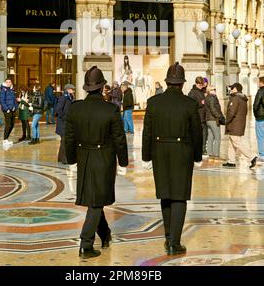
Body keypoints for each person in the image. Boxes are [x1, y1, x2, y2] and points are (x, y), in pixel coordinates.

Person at [65, 66, 128, 260]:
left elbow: (69, 138)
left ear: (86, 88)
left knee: (95, 198)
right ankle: (85, 244)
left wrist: (72, 159)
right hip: (104, 158)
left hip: (84, 156)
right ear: (102, 88)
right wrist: (123, 161)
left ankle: (105, 234)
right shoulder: (110, 109)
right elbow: (119, 138)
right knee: (96, 200)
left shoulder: (75, 108)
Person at [142, 62, 203, 256]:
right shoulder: (190, 104)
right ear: (182, 83)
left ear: (168, 82)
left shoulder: (153, 102)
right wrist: (197, 155)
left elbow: (147, 132)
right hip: (182, 152)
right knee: (180, 196)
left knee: (165, 194)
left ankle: (168, 236)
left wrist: (146, 155)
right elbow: (196, 133)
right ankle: (174, 243)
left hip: (159, 152)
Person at [222, 83, 258, 169]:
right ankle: (231, 161)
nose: (230, 89)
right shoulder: (242, 98)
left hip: (235, 124)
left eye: (232, 88)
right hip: (239, 123)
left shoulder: (235, 99)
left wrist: (226, 121)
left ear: (236, 89)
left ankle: (252, 157)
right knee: (232, 143)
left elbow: (231, 112)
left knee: (237, 143)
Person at [55, 83, 75, 164]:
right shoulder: (63, 98)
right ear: (67, 89)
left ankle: (60, 158)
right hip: (63, 124)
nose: (73, 90)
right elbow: (58, 109)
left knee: (63, 141)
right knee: (64, 141)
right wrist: (64, 118)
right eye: (72, 89)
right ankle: (64, 159)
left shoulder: (70, 97)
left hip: (66, 123)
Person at [188, 76, 208, 156]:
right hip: (198, 117)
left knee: (204, 134)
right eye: (200, 85)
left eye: (202, 85)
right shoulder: (192, 93)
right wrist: (201, 103)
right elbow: (191, 105)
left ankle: (203, 149)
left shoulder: (202, 91)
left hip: (204, 116)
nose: (201, 86)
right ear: (196, 83)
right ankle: (198, 150)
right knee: (198, 135)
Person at [205, 86, 225, 159]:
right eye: (213, 89)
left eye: (215, 89)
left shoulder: (207, 97)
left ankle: (209, 153)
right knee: (217, 137)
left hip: (208, 120)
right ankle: (216, 154)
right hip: (213, 120)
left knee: (210, 137)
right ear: (209, 90)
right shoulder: (212, 98)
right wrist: (220, 116)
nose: (214, 91)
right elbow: (213, 109)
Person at [0, 78, 18, 148]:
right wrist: (6, 109)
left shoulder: (12, 90)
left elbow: (14, 100)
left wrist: (15, 107)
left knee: (12, 125)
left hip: (13, 110)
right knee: (8, 124)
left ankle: (6, 139)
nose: (8, 83)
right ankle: (5, 140)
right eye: (7, 82)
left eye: (9, 82)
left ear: (11, 83)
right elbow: (1, 100)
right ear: (5, 83)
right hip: (7, 110)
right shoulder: (3, 90)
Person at [253, 76, 264, 162]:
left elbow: (256, 104)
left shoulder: (260, 91)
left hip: (261, 117)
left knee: (260, 136)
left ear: (261, 82)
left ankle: (262, 155)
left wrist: (256, 114)